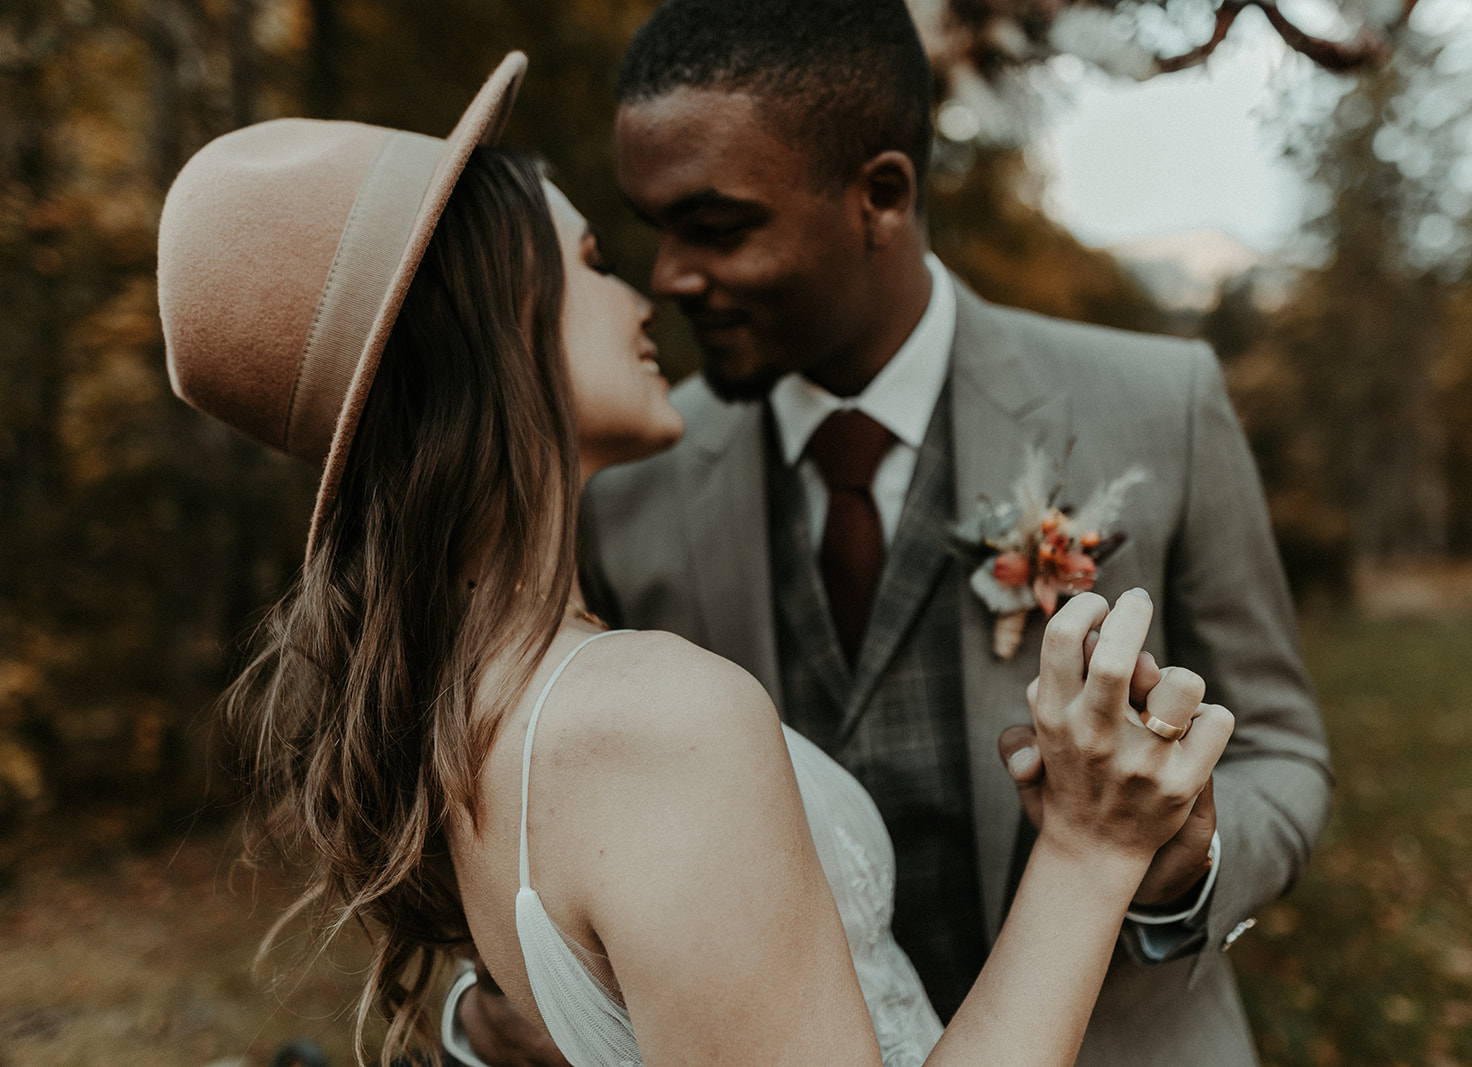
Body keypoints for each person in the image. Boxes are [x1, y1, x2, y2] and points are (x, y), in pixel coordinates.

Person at [157, 52, 1233, 1067]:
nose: (647, 296)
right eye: (592, 262)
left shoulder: (475, 708)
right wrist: (1090, 847)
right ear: (494, 323)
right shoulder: (653, 718)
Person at [451, 1, 1334, 1064]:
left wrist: (1182, 865)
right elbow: (547, 796)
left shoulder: (1159, 402)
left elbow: (1283, 750)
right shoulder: (631, 483)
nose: (671, 276)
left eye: (717, 228)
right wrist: (498, 999)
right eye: (655, 228)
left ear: (881, 196)